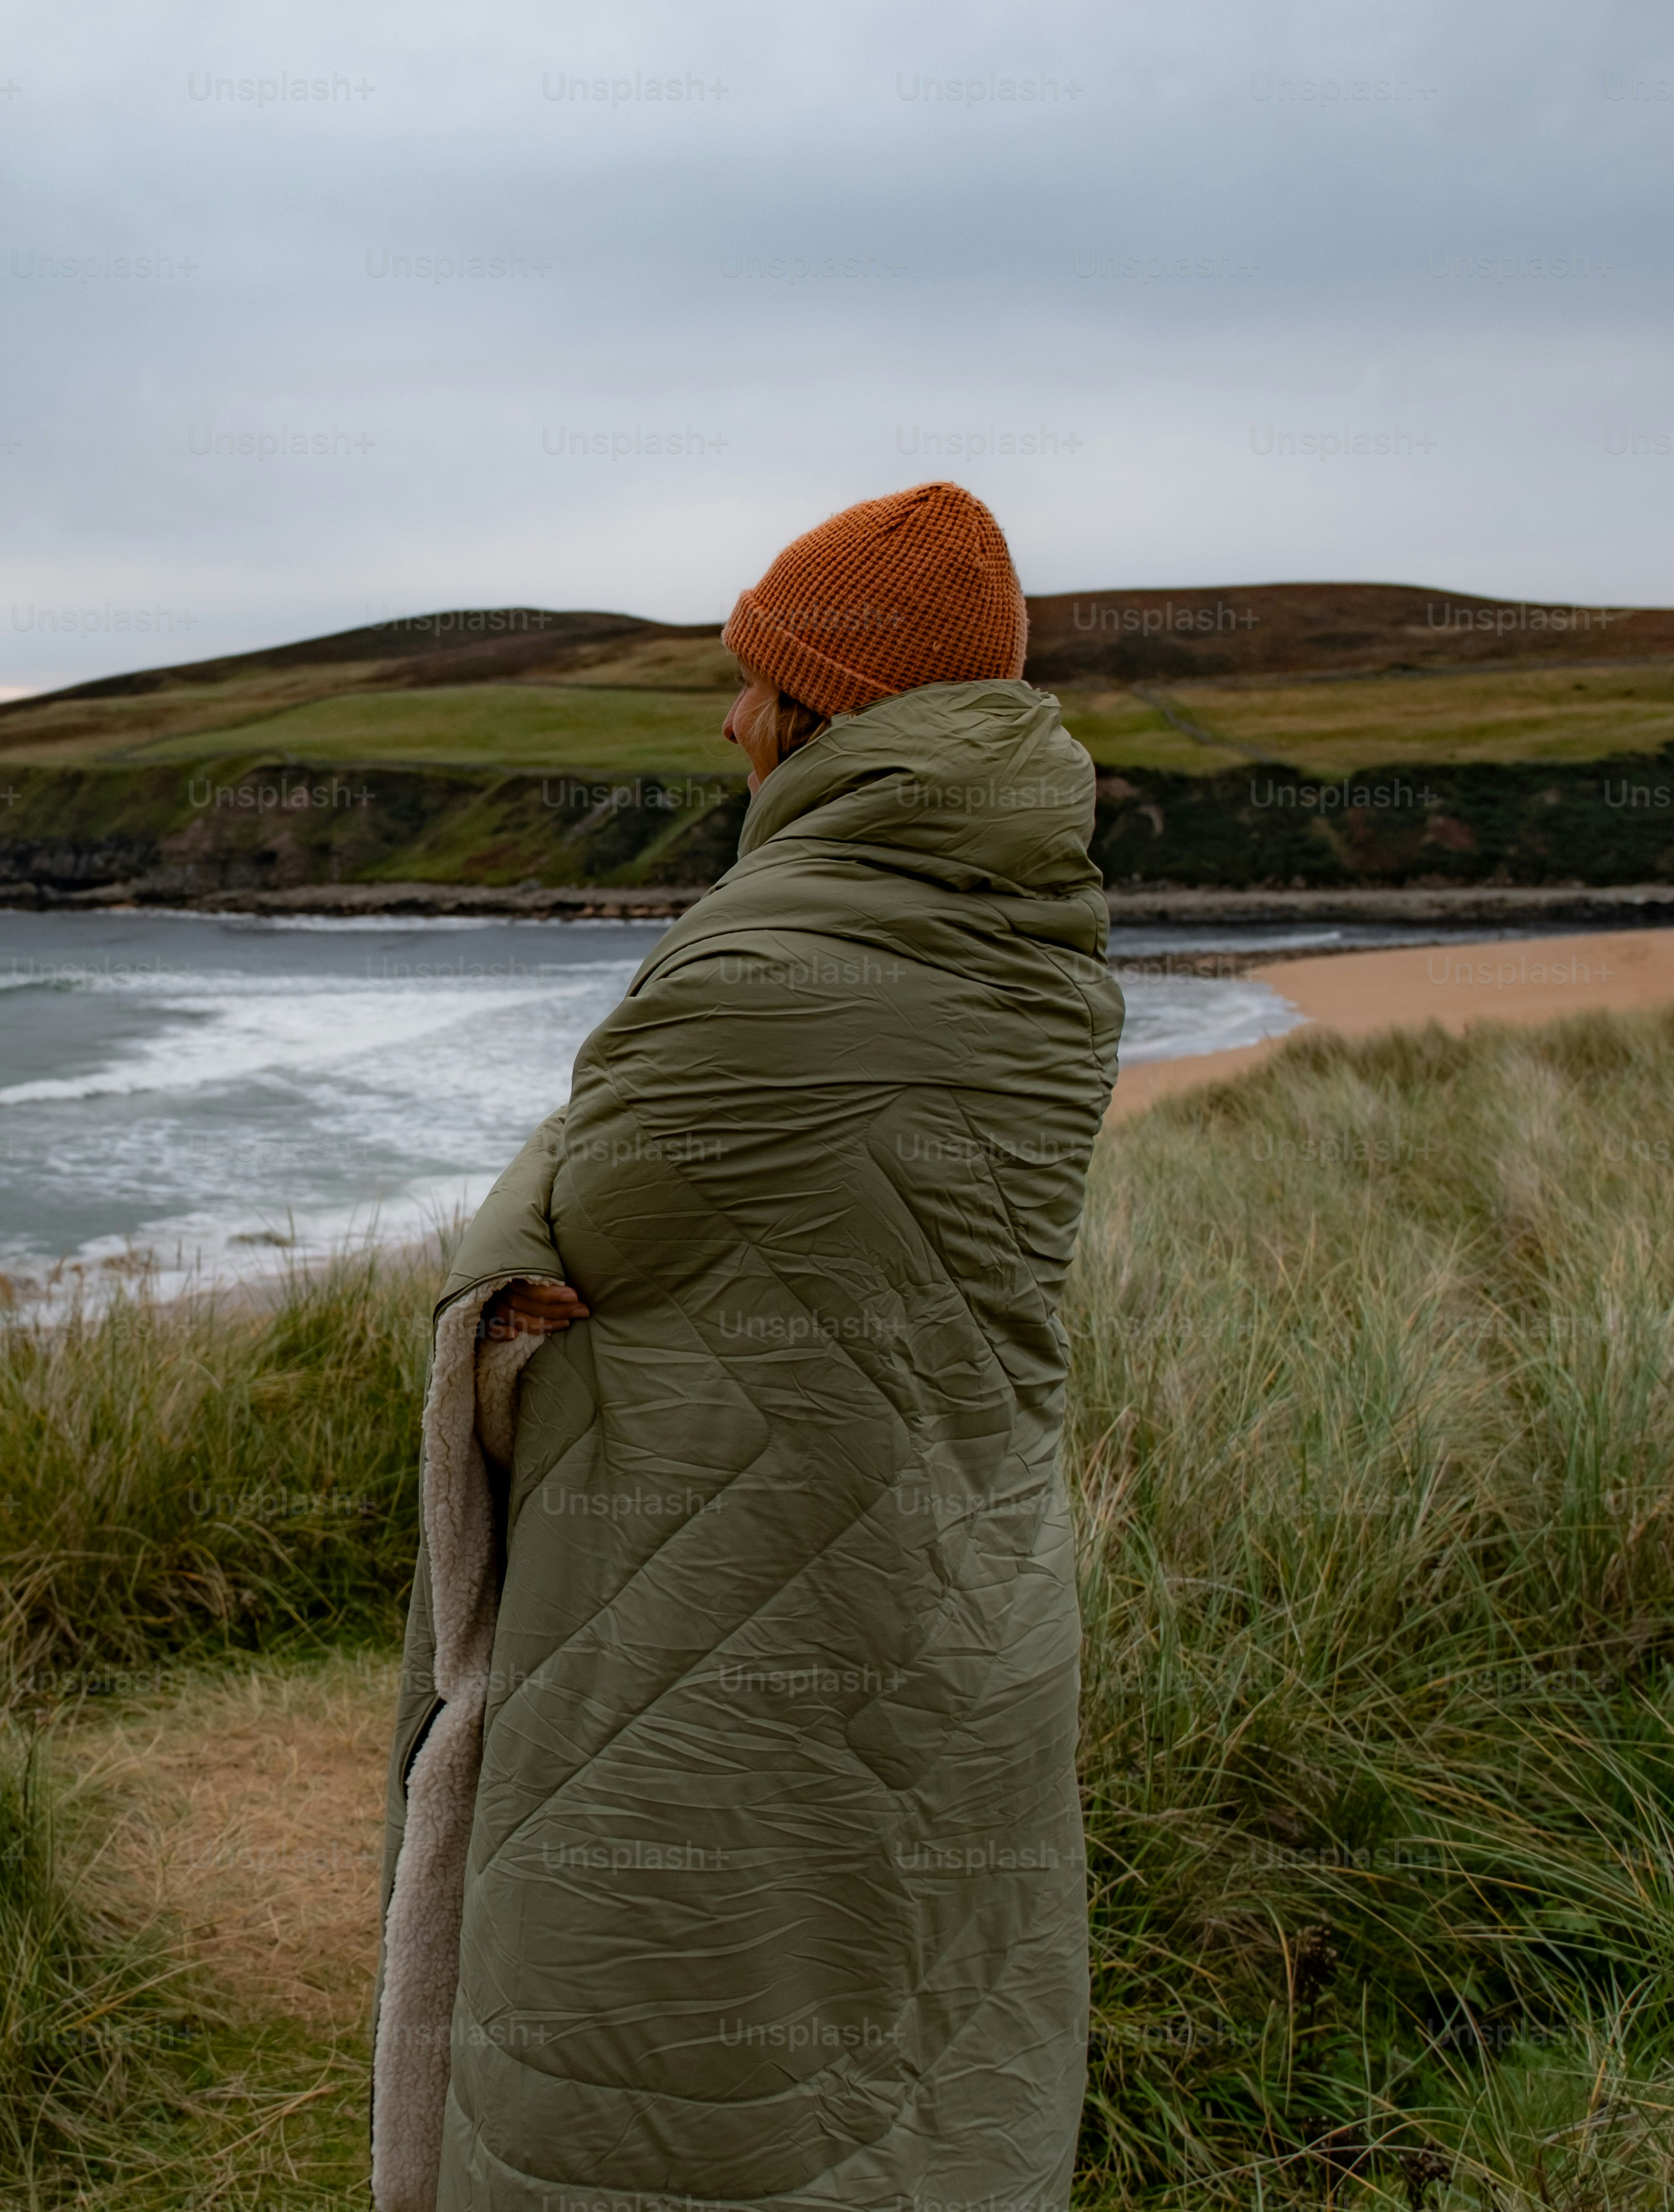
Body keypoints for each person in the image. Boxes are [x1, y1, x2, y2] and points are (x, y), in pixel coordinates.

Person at [373, 480, 1120, 2212]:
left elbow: (592, 1241)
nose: (728, 720)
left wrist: (496, 1298)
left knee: (666, 2027)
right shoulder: (1049, 956)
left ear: (832, 707)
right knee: (907, 2005)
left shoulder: (753, 968)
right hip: (963, 1582)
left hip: (703, 1604)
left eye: (756, 684)